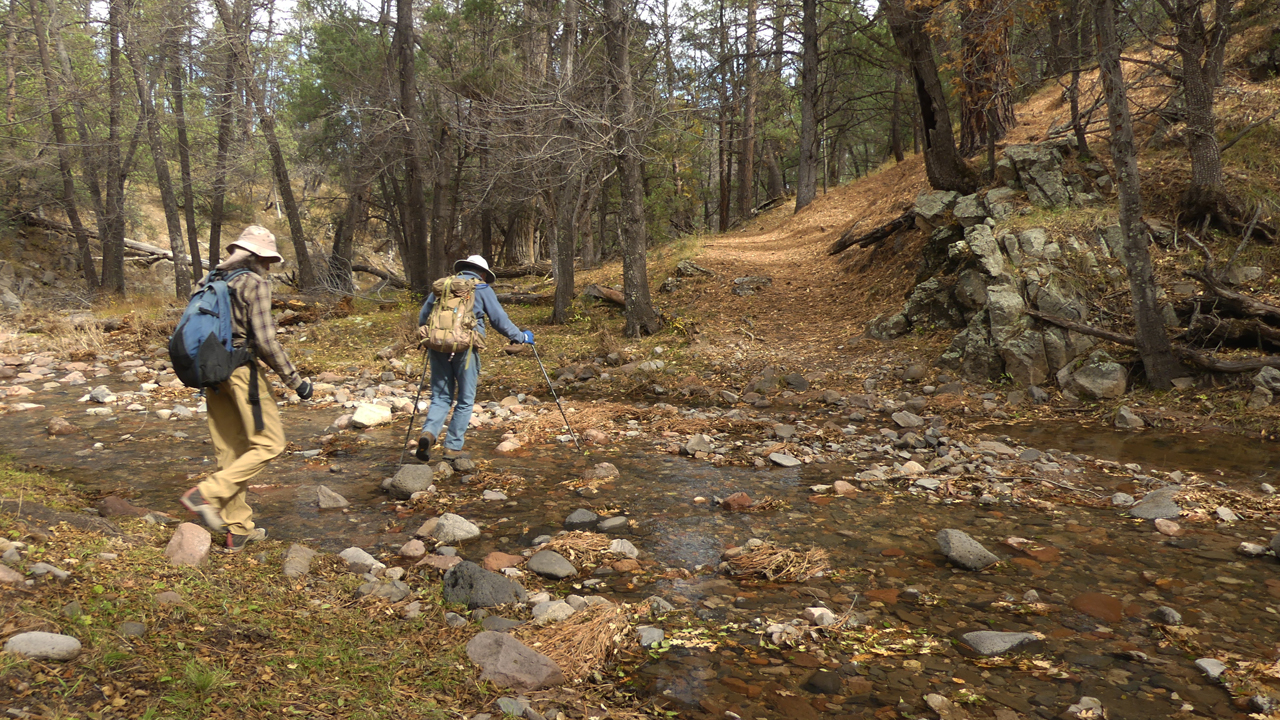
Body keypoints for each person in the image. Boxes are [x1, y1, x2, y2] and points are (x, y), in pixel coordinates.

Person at [179, 226, 313, 552]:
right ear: (257, 258)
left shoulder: (210, 279)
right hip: (241, 373)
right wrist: (296, 381)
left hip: (210, 374)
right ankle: (206, 494)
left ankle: (238, 529)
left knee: (230, 451)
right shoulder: (254, 283)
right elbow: (266, 340)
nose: (268, 267)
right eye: (267, 260)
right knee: (270, 443)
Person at [416, 255, 533, 462]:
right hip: (466, 349)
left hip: (437, 347)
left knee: (441, 397)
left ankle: (429, 434)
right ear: (482, 273)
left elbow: (423, 317)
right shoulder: (481, 289)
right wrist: (521, 337)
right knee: (465, 399)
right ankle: (452, 447)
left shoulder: (444, 286)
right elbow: (499, 320)